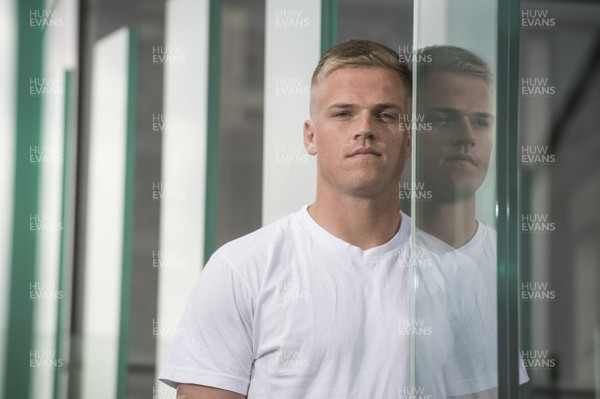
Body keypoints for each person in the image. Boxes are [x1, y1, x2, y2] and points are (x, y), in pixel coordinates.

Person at [159, 39, 497, 398]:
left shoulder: (457, 275)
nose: (365, 128)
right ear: (310, 136)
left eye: (386, 115)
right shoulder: (241, 269)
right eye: (343, 113)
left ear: (409, 139)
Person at [414, 45, 529, 385]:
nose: (467, 137)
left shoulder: (508, 263)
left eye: (481, 122)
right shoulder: (376, 254)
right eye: (443, 118)